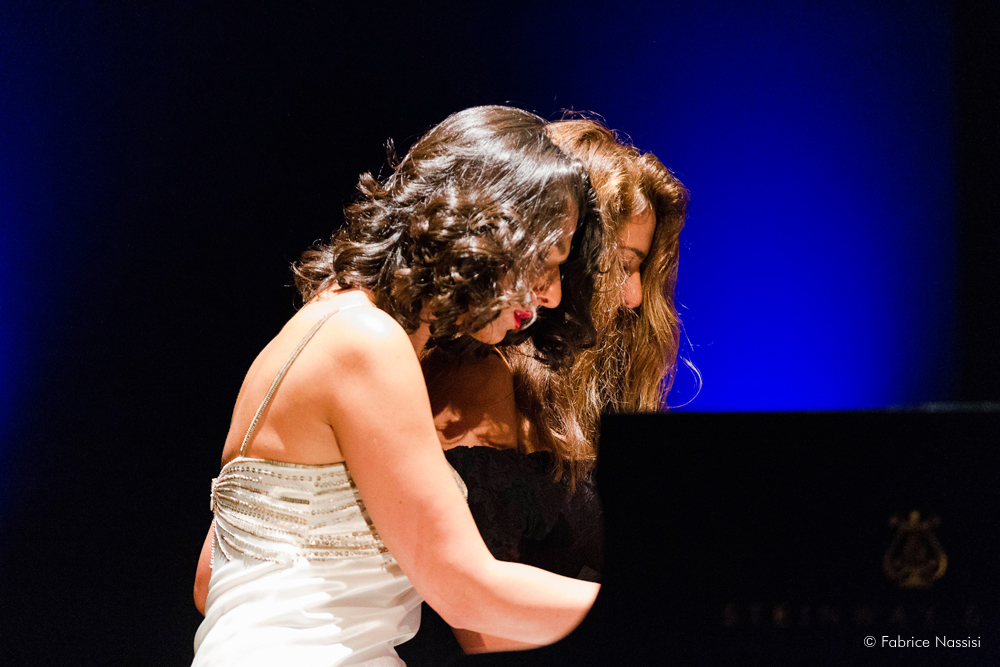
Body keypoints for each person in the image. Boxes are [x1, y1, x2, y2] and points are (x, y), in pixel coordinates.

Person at [191, 106, 603, 666]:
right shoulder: (366, 340)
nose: (551, 293)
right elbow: (463, 588)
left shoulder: (330, 322)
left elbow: (209, 578)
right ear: (485, 226)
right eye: (547, 260)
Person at [398, 116, 688, 660]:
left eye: (641, 269)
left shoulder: (600, 400)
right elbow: (482, 629)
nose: (632, 296)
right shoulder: (478, 372)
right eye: (619, 265)